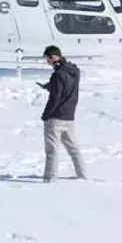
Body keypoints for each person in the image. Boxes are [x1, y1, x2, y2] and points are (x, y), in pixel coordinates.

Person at [37, 45, 86, 181]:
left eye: (48, 60)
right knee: (74, 149)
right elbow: (66, 88)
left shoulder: (57, 75)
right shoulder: (74, 71)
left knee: (52, 151)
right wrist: (50, 86)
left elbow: (56, 97)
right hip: (69, 116)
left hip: (55, 118)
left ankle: (49, 178)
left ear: (53, 57)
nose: (48, 63)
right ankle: (83, 175)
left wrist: (46, 115)